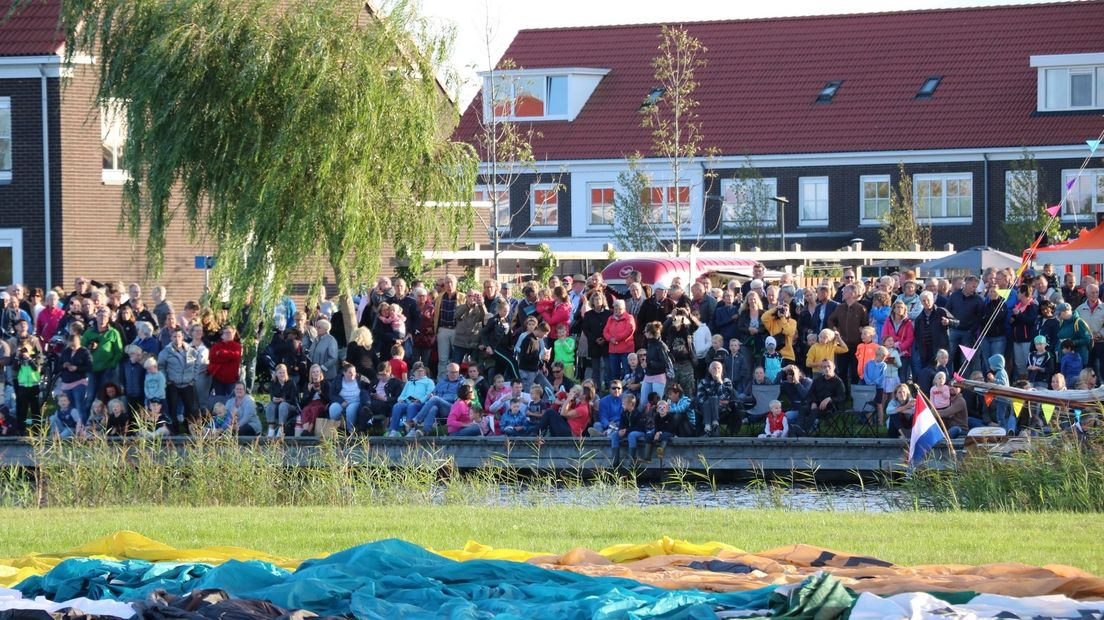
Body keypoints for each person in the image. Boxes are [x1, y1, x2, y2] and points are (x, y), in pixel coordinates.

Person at [158, 327, 201, 432]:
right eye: (174, 336)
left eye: (179, 336)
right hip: (173, 384)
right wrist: (166, 379)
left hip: (188, 384)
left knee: (190, 408)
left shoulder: (191, 351)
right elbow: (161, 366)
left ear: (183, 337)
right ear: (171, 338)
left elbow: (196, 365)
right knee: (173, 409)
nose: (177, 339)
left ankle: (189, 429)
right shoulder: (166, 352)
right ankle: (174, 430)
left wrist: (194, 378)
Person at [797, 359, 846, 435]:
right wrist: (813, 402)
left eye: (829, 366)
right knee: (803, 409)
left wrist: (830, 399)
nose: (827, 369)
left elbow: (842, 397)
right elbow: (811, 393)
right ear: (821, 369)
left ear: (834, 367)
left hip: (831, 408)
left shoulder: (838, 382)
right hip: (816, 405)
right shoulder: (817, 380)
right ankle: (798, 429)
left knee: (814, 411)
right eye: (824, 367)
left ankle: (804, 432)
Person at [388, 362, 436, 436]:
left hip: (421, 403)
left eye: (422, 371)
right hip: (407, 402)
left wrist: (420, 400)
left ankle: (411, 430)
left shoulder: (429, 382)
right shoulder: (409, 383)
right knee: (397, 406)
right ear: (413, 372)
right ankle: (394, 431)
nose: (420, 373)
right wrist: (400, 399)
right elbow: (402, 395)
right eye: (418, 371)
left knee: (412, 406)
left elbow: (429, 394)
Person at [695, 361, 736, 437]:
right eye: (714, 368)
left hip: (723, 409)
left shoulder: (726, 381)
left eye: (718, 368)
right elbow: (700, 398)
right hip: (706, 408)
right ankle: (714, 422)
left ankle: (707, 427)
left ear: (722, 370)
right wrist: (715, 401)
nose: (716, 370)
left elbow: (727, 397)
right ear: (709, 370)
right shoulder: (703, 382)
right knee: (709, 401)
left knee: (712, 399)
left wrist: (719, 382)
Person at [602, 299, 635, 387]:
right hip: (613, 350)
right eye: (615, 308)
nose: (617, 310)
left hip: (626, 349)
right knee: (614, 372)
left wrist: (616, 338)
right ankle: (615, 389)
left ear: (623, 308)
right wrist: (610, 338)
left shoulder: (629, 317)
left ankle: (627, 389)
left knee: (627, 371)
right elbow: (605, 331)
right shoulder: (610, 318)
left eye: (619, 308)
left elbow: (630, 330)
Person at [328, 363, 366, 434]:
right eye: (350, 373)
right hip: (342, 401)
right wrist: (341, 401)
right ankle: (337, 429)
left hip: (355, 401)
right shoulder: (338, 379)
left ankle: (350, 430)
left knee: (350, 410)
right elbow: (331, 394)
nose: (353, 374)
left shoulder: (360, 378)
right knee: (333, 409)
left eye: (354, 372)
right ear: (344, 373)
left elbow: (368, 386)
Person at [882, 301, 914, 382]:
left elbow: (910, 339)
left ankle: (901, 393)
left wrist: (900, 347)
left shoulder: (908, 322)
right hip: (890, 352)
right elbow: (884, 335)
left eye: (902, 307)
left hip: (904, 353)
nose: (900, 309)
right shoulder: (888, 320)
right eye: (898, 307)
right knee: (890, 375)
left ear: (904, 310)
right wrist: (891, 346)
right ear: (894, 309)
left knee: (902, 377)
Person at [207, 326, 243, 398]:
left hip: (232, 379)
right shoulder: (216, 346)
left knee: (233, 400)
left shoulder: (237, 346)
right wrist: (228, 357)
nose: (228, 334)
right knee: (220, 400)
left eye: (230, 332)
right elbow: (212, 358)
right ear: (222, 335)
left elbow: (236, 355)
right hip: (218, 379)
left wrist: (221, 353)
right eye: (226, 333)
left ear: (234, 334)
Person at [265, 363, 299, 437]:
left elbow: (294, 399)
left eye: (283, 372)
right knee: (270, 405)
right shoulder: (273, 383)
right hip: (277, 405)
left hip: (290, 405)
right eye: (280, 373)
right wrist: (273, 399)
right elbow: (272, 395)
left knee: (283, 405)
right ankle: (271, 429)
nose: (282, 374)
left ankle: (281, 428)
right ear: (276, 374)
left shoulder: (291, 382)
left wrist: (284, 400)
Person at [294, 364, 329, 436]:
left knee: (314, 409)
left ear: (320, 373)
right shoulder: (308, 384)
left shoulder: (325, 383)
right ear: (311, 374)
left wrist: (320, 392)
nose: (315, 374)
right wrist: (308, 392)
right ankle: (305, 430)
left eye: (317, 372)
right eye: (313, 372)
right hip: (310, 403)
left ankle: (309, 430)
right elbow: (303, 402)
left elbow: (328, 399)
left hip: (321, 403)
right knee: (305, 410)